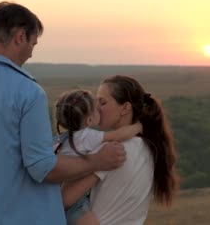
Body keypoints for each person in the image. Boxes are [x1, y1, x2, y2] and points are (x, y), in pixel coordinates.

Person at [0, 2, 126, 225]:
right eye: (33, 43)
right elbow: (42, 168)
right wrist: (96, 161)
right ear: (20, 36)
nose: (32, 53)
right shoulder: (28, 92)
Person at [61, 75, 179, 225]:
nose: (96, 108)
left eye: (102, 103)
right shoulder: (149, 148)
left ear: (125, 108)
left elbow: (65, 199)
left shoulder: (111, 151)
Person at [53, 89, 143, 225]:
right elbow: (118, 135)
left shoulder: (59, 140)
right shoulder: (88, 137)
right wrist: (138, 127)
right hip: (75, 201)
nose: (100, 110)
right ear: (89, 120)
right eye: (96, 109)